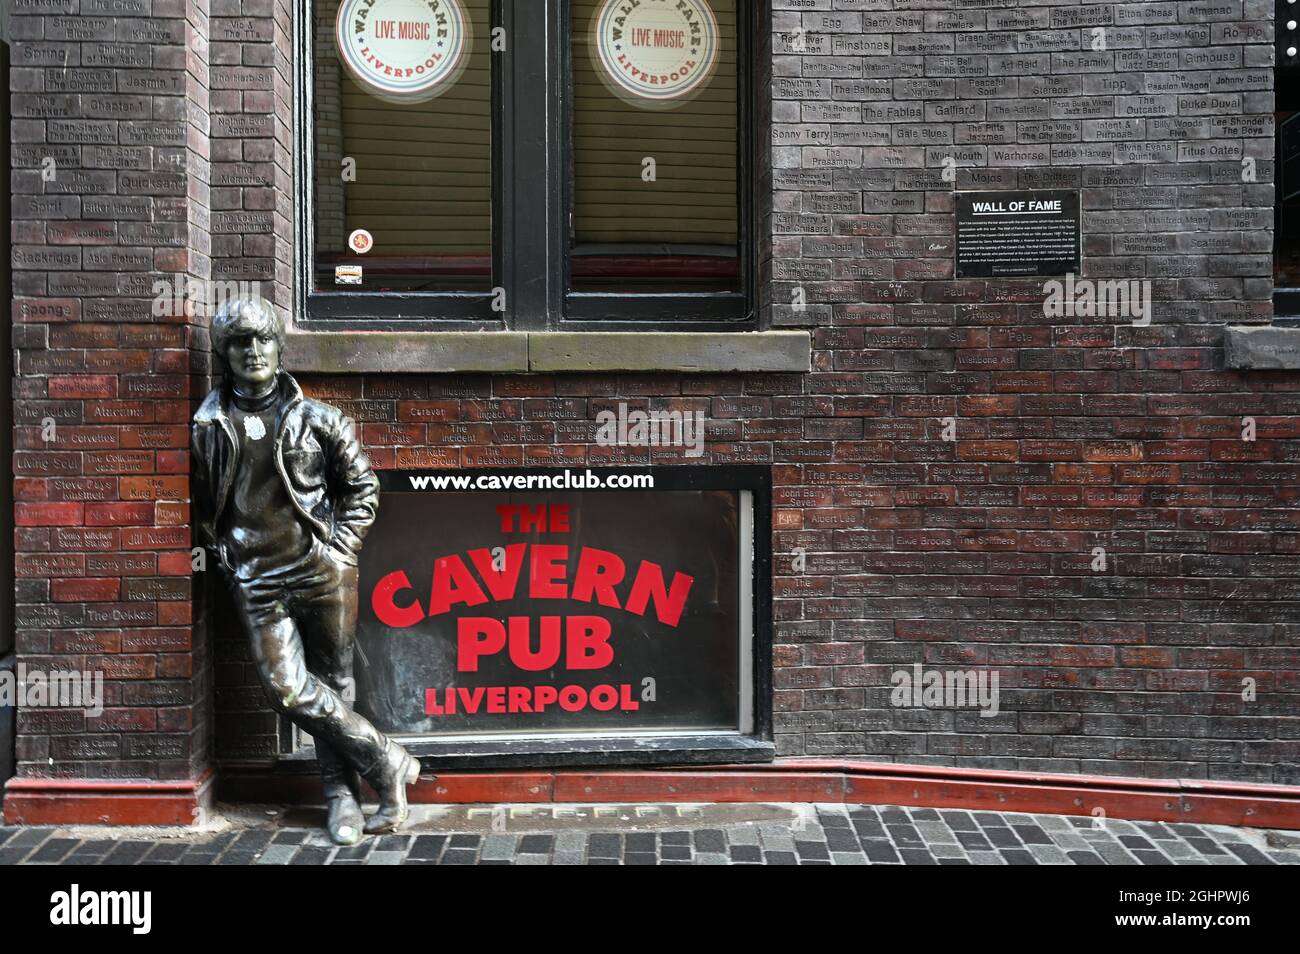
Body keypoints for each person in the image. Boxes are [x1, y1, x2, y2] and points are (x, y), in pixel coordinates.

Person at [191, 297, 420, 845]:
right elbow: (205, 506)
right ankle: (387, 761)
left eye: (263, 339)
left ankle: (344, 797)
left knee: (335, 684)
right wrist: (226, 558)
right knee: (290, 691)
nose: (253, 350)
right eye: (240, 342)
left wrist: (341, 549)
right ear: (224, 353)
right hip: (257, 579)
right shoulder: (208, 424)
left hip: (321, 570)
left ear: (278, 346)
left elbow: (362, 488)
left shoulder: (319, 418)